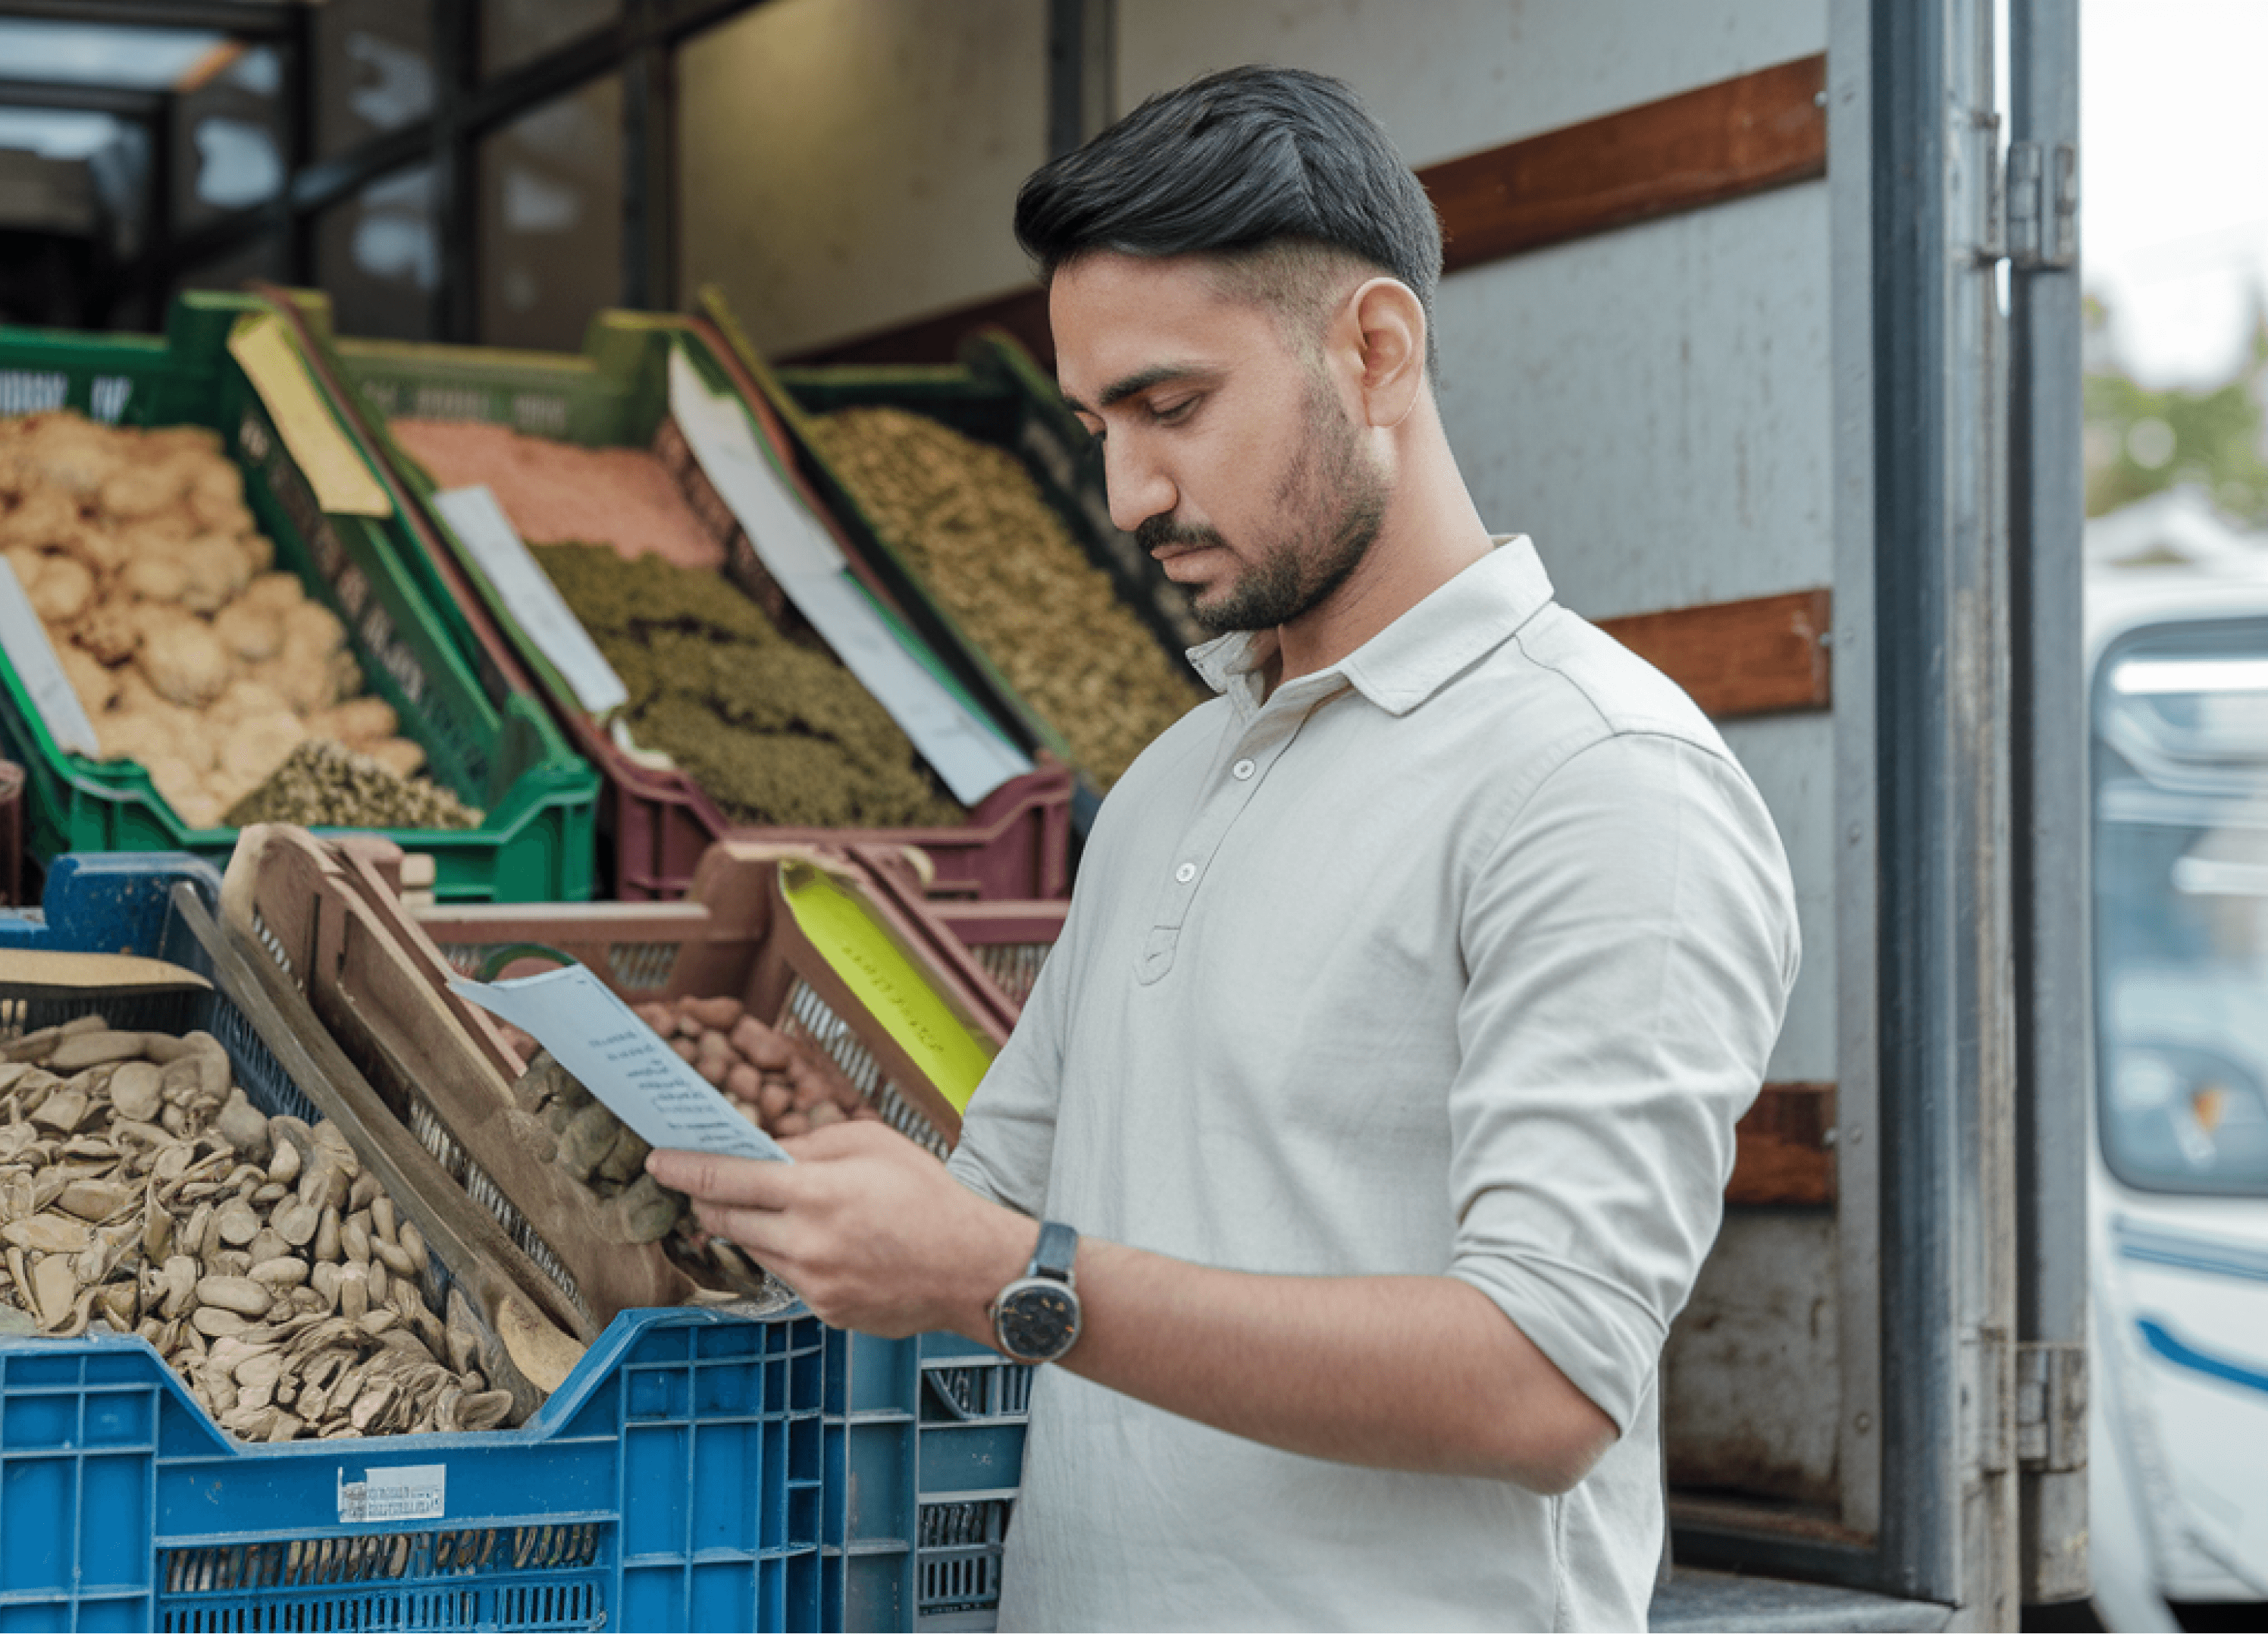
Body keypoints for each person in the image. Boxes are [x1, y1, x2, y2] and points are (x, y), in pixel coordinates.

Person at [647, 64, 1798, 1633]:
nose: (1127, 491)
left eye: (1172, 407)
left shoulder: (1601, 781)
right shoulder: (1182, 776)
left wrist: (1002, 1273)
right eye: (1095, 424)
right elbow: (1003, 1200)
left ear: (1374, 350)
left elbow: (1544, 1381)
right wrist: (814, 1194)